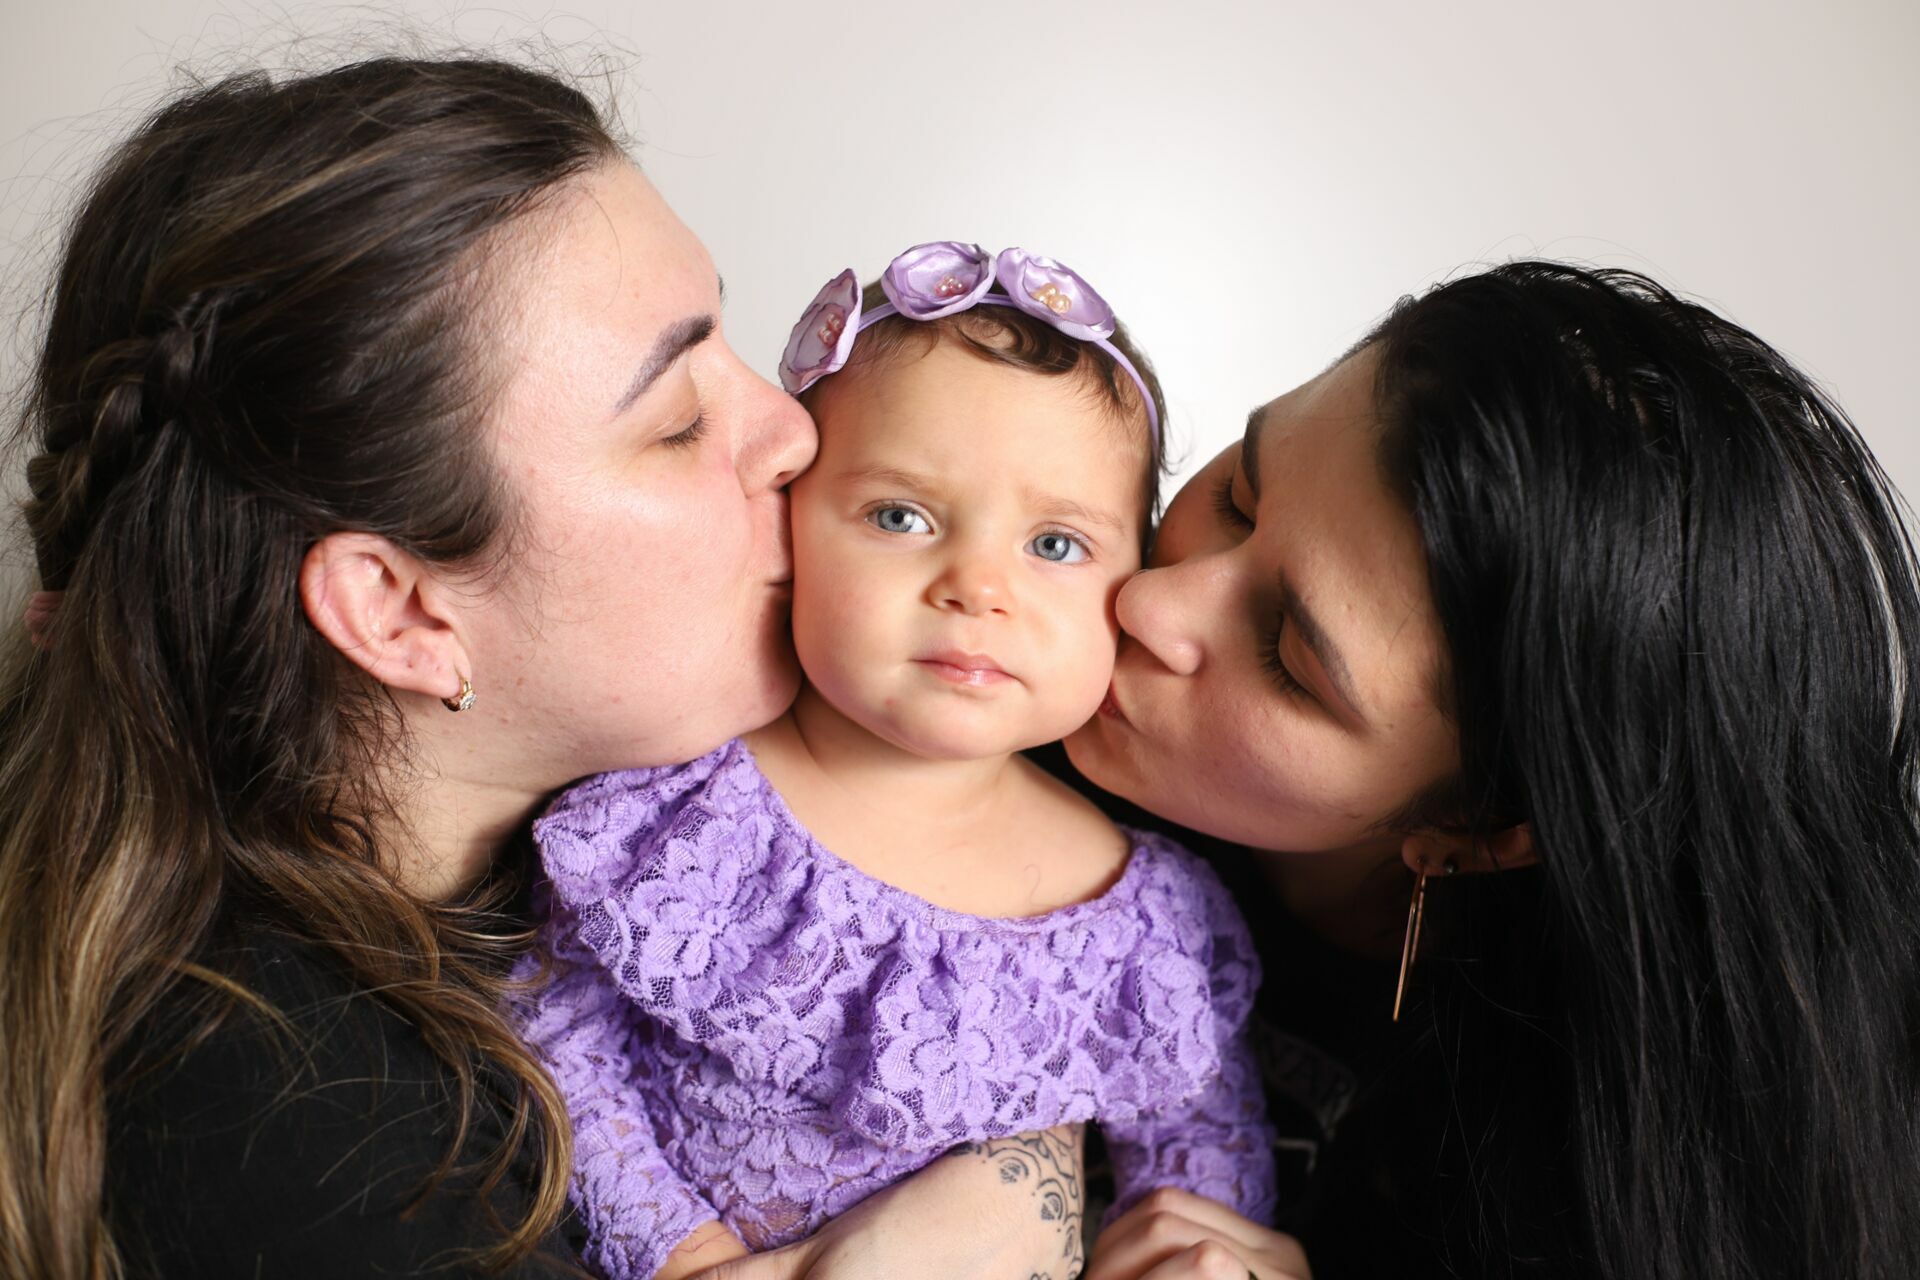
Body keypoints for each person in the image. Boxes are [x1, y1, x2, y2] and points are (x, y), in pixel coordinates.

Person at [0, 59, 1086, 1280]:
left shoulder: (654, 839)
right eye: (678, 420)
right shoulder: (307, 1153)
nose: (791, 432)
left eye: (730, 340)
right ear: (402, 610)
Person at [1068, 262, 1920, 1280]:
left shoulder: (1627, 1155)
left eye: (1290, 660)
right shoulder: (962, 666)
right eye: (1241, 497)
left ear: (1479, 828)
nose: (1147, 608)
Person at [514, 242, 1274, 1280]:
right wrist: (681, 1251)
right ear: (789, 519)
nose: (977, 586)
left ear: (1131, 580)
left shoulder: (1143, 917)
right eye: (900, 516)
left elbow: (1200, 1161)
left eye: (1054, 545)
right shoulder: (679, 797)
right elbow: (554, 1030)